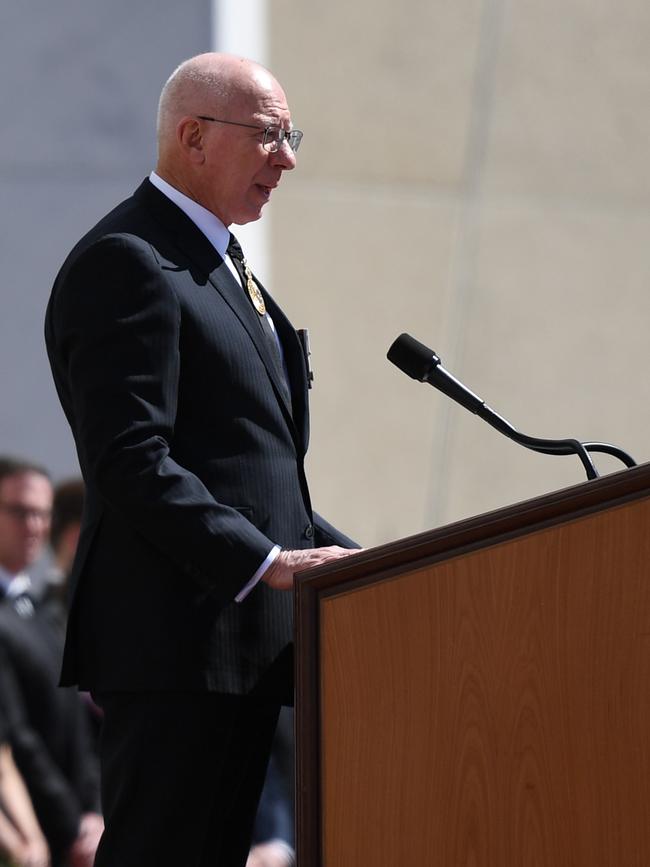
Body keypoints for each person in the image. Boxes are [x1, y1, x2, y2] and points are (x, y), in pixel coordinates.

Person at [45, 52, 359, 867]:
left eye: (291, 135)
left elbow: (251, 470)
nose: (287, 157)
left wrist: (364, 561)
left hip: (241, 649)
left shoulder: (220, 265)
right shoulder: (131, 261)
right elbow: (131, 458)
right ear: (193, 136)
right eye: (269, 135)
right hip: (176, 647)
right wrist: (266, 560)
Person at [0, 458, 102, 867]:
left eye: (43, 514)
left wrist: (94, 813)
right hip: (33, 835)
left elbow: (78, 724)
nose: (35, 526)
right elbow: (15, 736)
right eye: (21, 511)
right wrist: (72, 825)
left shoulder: (40, 610)